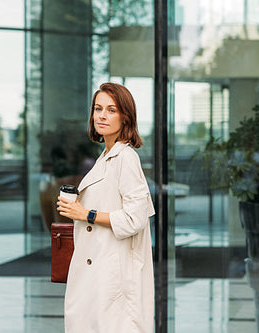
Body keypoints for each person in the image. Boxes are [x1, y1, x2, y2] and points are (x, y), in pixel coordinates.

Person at [57, 82, 155, 333]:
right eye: (98, 108)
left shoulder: (126, 158)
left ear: (125, 117)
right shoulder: (107, 156)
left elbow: (135, 219)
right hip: (98, 267)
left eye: (111, 110)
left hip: (113, 274)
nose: (102, 115)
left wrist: (85, 213)